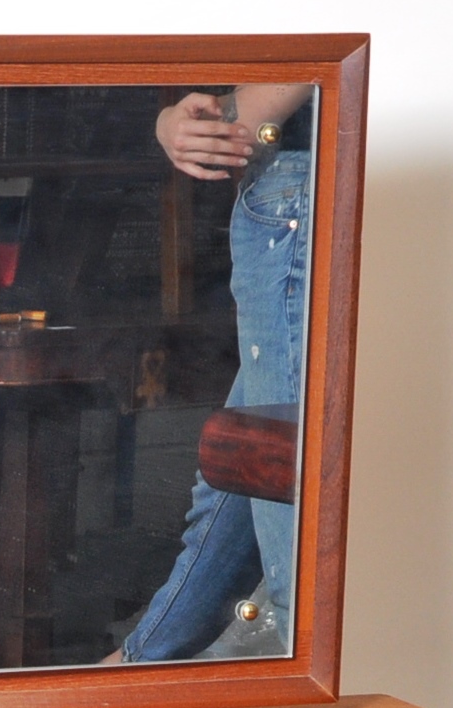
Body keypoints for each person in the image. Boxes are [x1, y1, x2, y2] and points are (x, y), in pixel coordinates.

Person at [109, 85, 315, 664]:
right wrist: (172, 122)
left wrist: (236, 119)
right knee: (246, 462)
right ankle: (136, 668)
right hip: (298, 180)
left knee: (286, 501)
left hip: (298, 179)